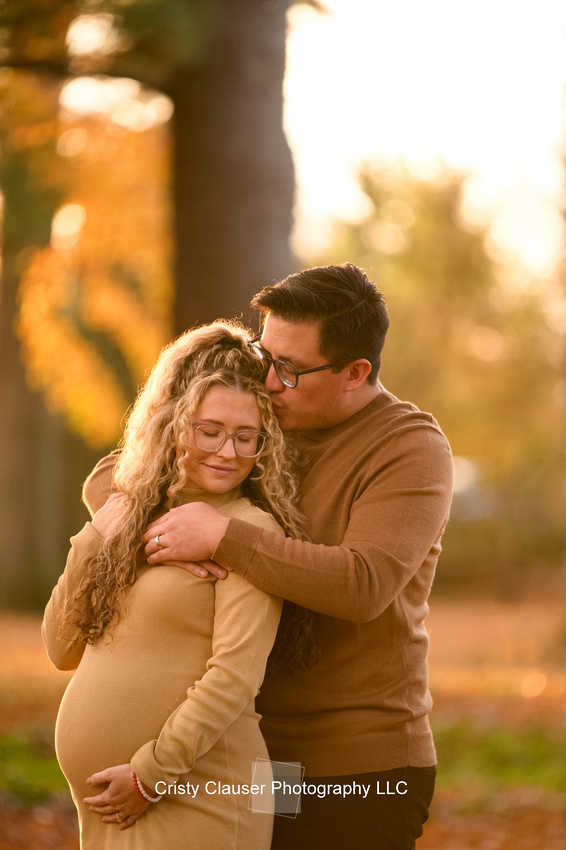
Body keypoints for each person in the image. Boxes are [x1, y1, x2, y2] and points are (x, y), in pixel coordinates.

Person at [84, 263, 453, 850]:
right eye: (265, 356)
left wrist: (222, 537)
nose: (270, 382)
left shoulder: (410, 448)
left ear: (355, 373)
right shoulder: (262, 423)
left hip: (358, 770)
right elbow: (112, 477)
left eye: (290, 369)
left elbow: (362, 585)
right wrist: (171, 526)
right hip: (247, 756)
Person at [42, 322, 305, 850]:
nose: (228, 452)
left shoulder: (248, 531)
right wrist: (97, 538)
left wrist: (150, 774)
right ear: (173, 425)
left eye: (246, 437)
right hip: (110, 806)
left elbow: (235, 677)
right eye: (210, 431)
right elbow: (60, 648)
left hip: (199, 793)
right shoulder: (129, 519)